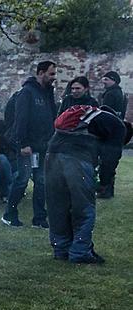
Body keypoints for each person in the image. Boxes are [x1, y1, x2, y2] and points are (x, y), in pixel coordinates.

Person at [45, 105, 131, 263]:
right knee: (83, 208)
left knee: (58, 206)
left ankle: (61, 249)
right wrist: (105, 182)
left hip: (52, 153)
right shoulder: (119, 127)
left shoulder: (92, 116)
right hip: (77, 157)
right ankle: (80, 252)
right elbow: (111, 157)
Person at [2, 60, 57, 228]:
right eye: (51, 73)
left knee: (41, 182)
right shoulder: (27, 92)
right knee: (22, 180)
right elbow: (20, 120)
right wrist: (22, 144)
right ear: (41, 73)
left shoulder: (48, 93)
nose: (54, 77)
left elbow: (51, 119)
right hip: (27, 146)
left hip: (42, 146)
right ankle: (9, 215)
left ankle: (39, 219)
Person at [96, 72, 127, 198]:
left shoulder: (110, 94)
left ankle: (105, 191)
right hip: (117, 132)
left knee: (106, 163)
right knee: (110, 163)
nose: (104, 81)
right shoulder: (121, 94)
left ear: (114, 81)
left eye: (107, 79)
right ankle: (107, 190)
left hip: (109, 133)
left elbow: (105, 113)